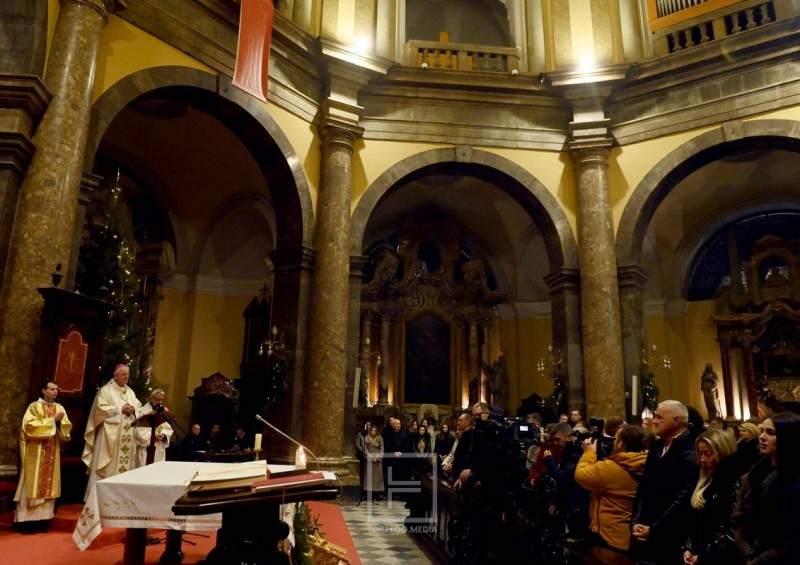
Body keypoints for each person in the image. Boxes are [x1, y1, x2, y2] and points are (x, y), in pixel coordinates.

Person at [631, 400, 700, 564]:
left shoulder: (691, 449)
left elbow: (683, 497)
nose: (654, 421)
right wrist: (636, 521)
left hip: (671, 535)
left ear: (676, 420)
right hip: (645, 528)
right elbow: (644, 487)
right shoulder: (657, 446)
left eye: (659, 417)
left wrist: (654, 529)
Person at [733, 411, 800, 564]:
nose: (762, 437)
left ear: (789, 437)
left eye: (771, 433)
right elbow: (739, 516)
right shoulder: (756, 472)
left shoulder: (793, 478)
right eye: (761, 431)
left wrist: (760, 560)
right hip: (751, 552)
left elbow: (793, 536)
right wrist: (747, 551)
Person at [574, 424, 647, 552]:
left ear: (620, 444)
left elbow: (580, 475)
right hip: (626, 533)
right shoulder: (645, 460)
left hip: (608, 535)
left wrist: (589, 453)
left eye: (615, 439)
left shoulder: (612, 467)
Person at [13, 380, 72, 533]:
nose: (55, 392)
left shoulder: (59, 408)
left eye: (56, 389)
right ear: (43, 391)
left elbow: (66, 428)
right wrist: (52, 420)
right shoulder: (34, 407)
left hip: (52, 452)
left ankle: (42, 521)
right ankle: (26, 523)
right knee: (33, 484)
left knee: (49, 486)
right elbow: (29, 427)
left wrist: (60, 424)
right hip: (36, 452)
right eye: (51, 389)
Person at [82, 364, 142, 500]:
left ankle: (121, 499)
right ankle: (99, 499)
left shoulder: (130, 392)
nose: (127, 377)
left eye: (128, 374)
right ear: (115, 376)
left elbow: (139, 407)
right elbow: (99, 410)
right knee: (106, 467)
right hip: (108, 438)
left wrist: (134, 409)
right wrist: (119, 409)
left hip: (126, 439)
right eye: (123, 374)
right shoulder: (105, 391)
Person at [682, 428, 741, 565]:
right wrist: (688, 548)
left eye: (708, 454)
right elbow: (694, 522)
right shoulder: (703, 478)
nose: (702, 459)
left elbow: (734, 529)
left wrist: (704, 556)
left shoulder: (733, 482)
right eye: (700, 454)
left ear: (722, 452)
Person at [133, 388, 173, 467]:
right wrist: (153, 436)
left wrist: (164, 436)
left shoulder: (163, 411)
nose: (160, 402)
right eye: (158, 399)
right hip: (146, 449)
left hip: (159, 448)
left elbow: (168, 428)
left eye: (162, 400)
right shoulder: (143, 411)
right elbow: (138, 430)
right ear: (151, 399)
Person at [363, 425, 385, 500]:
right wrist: (371, 457)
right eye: (372, 430)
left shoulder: (380, 438)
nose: (373, 432)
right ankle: (368, 495)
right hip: (369, 460)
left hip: (377, 461)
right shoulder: (366, 438)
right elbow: (365, 449)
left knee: (377, 479)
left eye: (375, 431)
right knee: (369, 478)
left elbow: (382, 449)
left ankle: (376, 495)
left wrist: (377, 457)